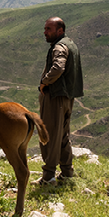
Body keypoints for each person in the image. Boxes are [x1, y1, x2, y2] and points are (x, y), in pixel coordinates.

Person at [37, 16, 83, 184]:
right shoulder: (71, 44)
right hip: (67, 98)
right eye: (45, 28)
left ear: (60, 30)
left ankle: (48, 176)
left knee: (49, 135)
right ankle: (66, 172)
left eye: (49, 29)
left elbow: (58, 67)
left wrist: (45, 82)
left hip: (56, 98)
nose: (45, 32)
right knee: (63, 135)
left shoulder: (60, 47)